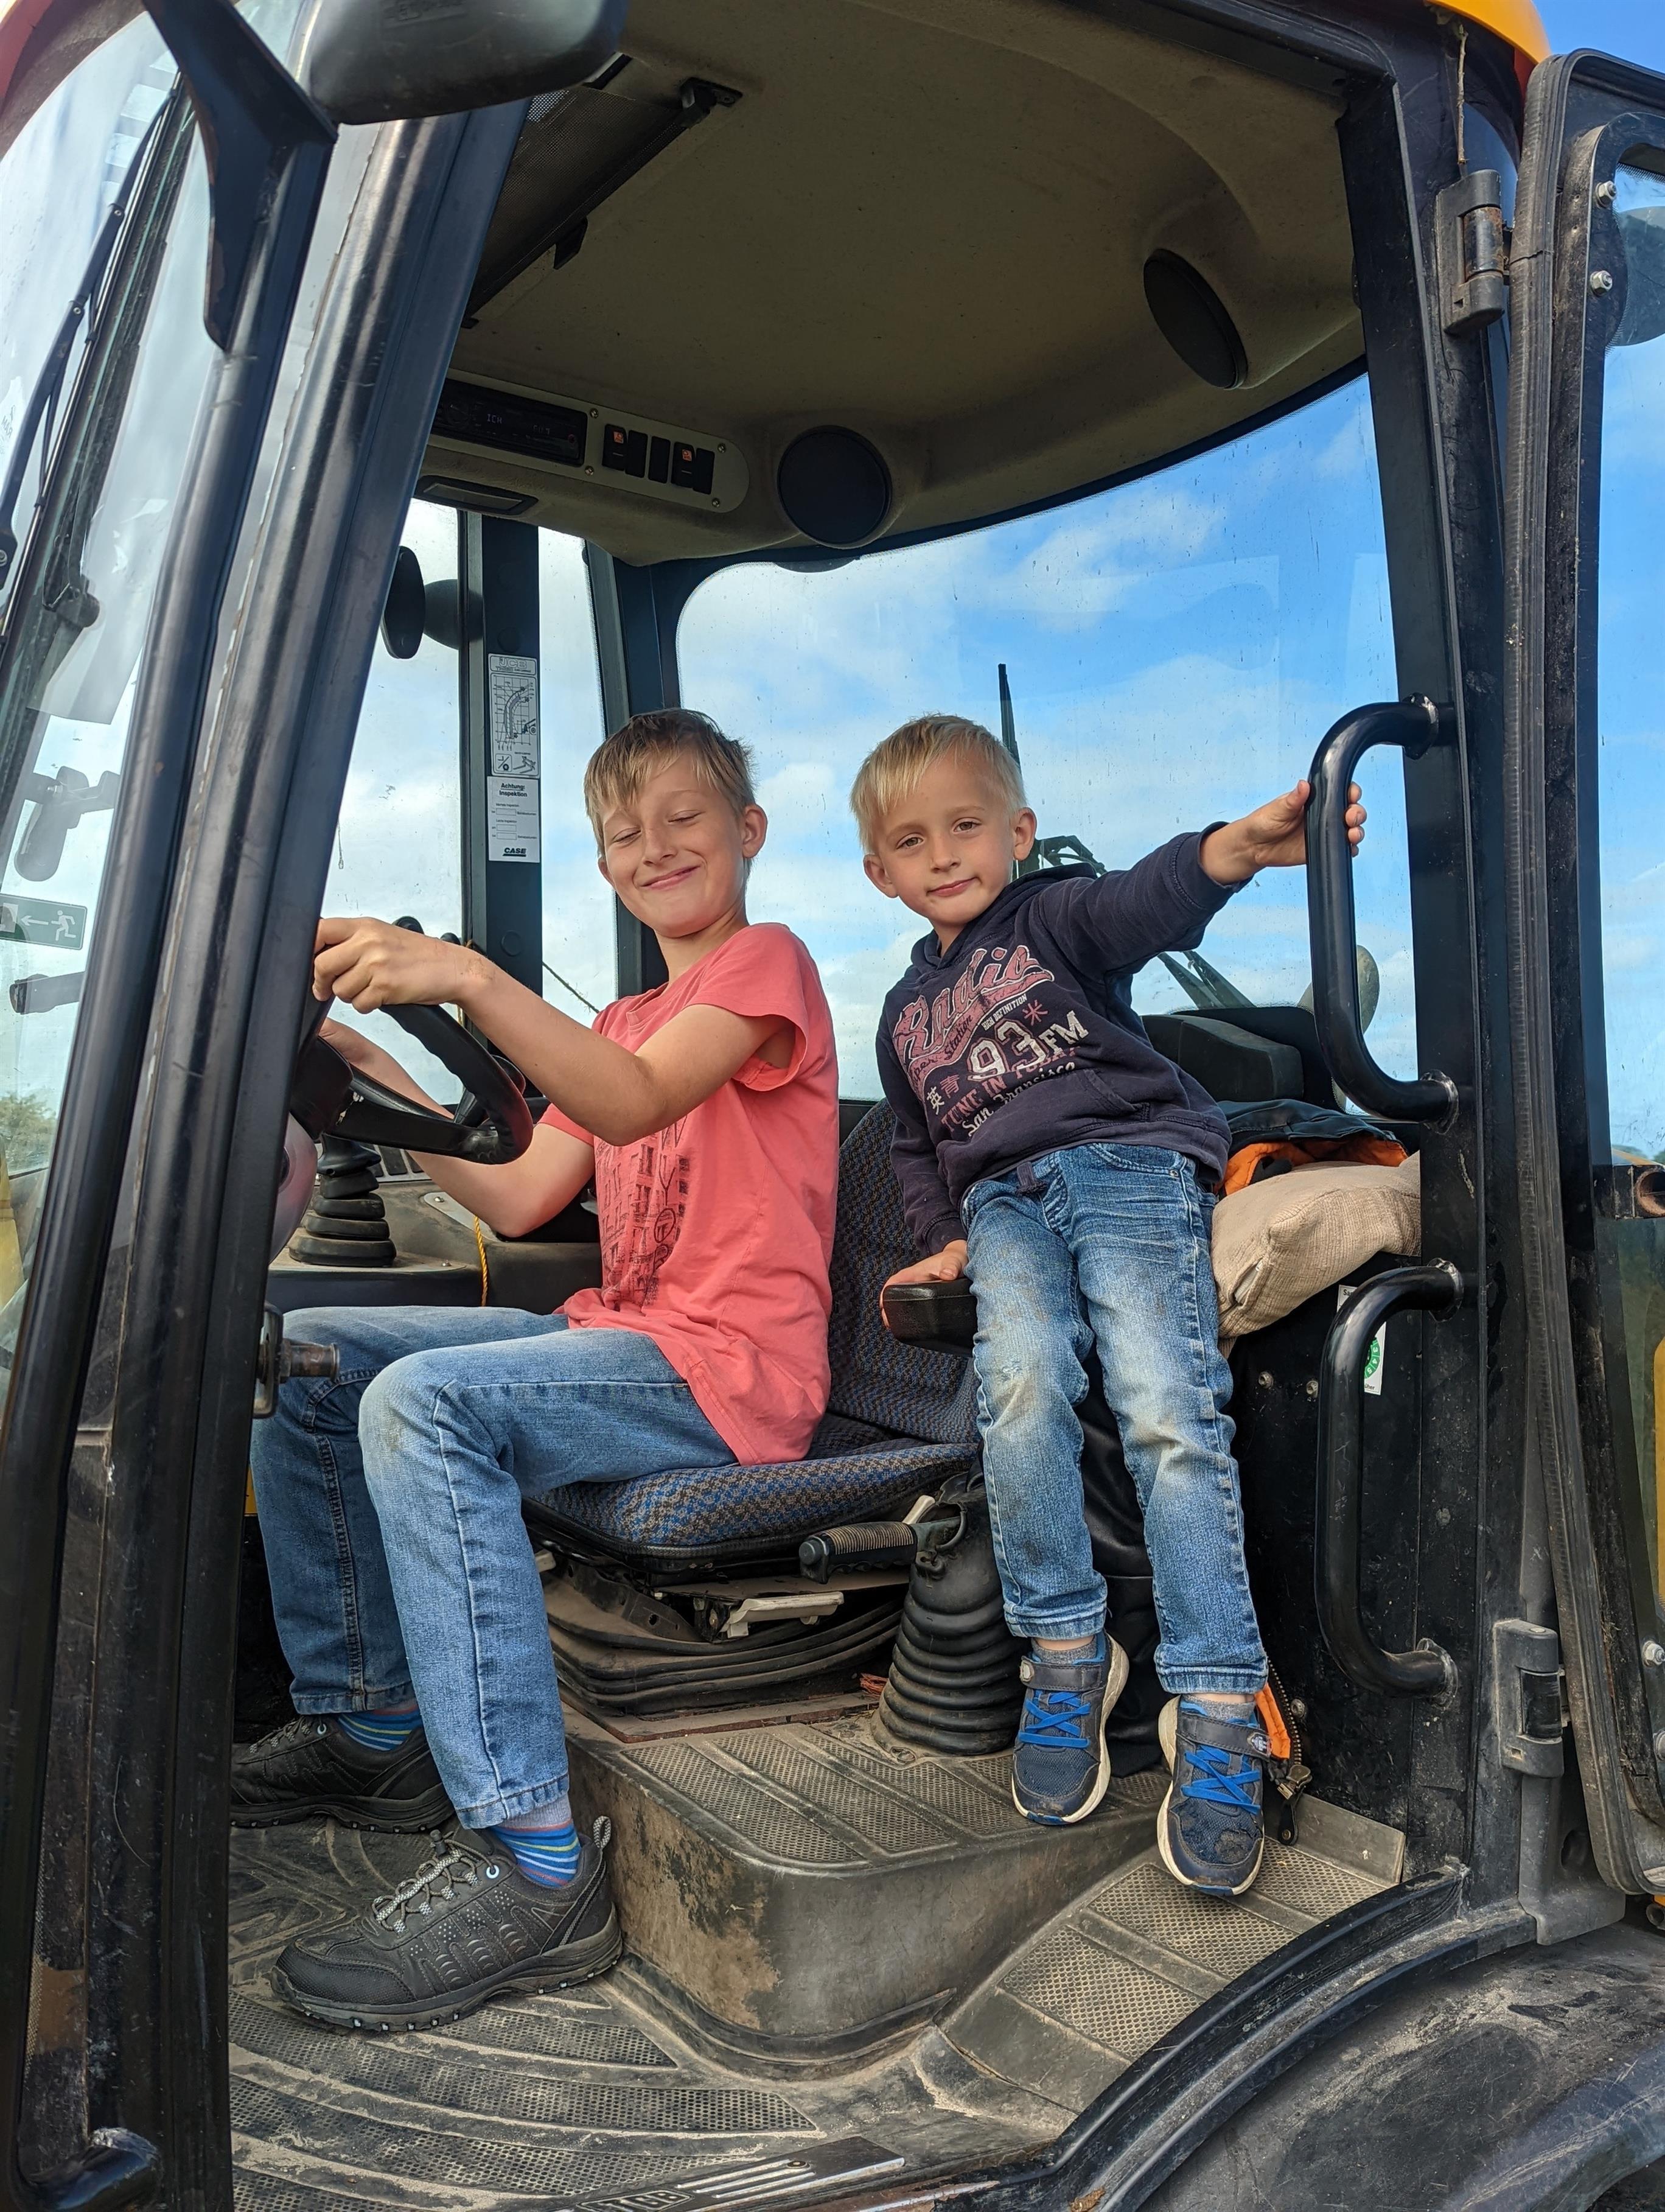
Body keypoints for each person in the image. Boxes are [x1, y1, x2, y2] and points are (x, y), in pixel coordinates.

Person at [239, 710, 838, 2027]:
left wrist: (465, 974)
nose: (654, 845)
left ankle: (536, 1860)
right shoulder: (622, 1017)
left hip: (726, 1373)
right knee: (313, 1356)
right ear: (604, 864)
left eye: (684, 817)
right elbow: (518, 1194)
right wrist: (363, 1072)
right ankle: (372, 1725)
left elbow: (633, 1100)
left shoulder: (768, 968)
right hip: (618, 1338)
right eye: (624, 832)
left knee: (423, 1402)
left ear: (748, 829)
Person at [850, 715, 1364, 1897]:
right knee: (1020, 1390)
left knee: (1166, 1409)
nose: (944, 853)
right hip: (1002, 1206)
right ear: (880, 872)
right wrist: (940, 1236)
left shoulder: (1051, 919)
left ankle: (1219, 1700)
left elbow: (1137, 905)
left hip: (1124, 1166)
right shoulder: (901, 1016)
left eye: (968, 825)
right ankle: (1068, 1653)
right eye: (912, 841)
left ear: (1020, 833)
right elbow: (919, 1142)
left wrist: (1234, 852)